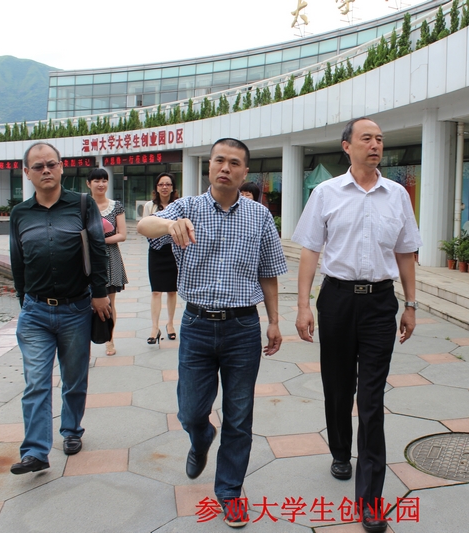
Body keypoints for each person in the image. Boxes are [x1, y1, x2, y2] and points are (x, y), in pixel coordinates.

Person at [137, 138, 287, 527]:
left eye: (234, 163)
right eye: (219, 160)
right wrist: (169, 224)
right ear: (209, 166)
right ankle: (201, 436)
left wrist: (273, 320)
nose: (225, 168)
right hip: (197, 324)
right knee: (190, 410)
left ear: (245, 172)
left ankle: (230, 493)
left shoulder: (259, 216)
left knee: (239, 415)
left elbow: (269, 272)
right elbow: (143, 226)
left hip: (242, 326)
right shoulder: (186, 207)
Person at [293, 117, 422, 533]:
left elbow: (406, 253)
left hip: (380, 303)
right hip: (336, 299)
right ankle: (339, 451)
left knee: (371, 399)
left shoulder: (397, 195)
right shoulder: (326, 193)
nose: (375, 144)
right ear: (346, 146)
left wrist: (411, 305)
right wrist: (303, 306)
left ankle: (370, 500)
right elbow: (310, 251)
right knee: (337, 387)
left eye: (380, 139)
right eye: (366, 138)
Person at [9, 142, 111, 474]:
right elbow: (17, 261)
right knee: (36, 382)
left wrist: (100, 294)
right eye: (38, 167)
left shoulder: (82, 204)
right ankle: (35, 451)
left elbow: (98, 249)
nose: (46, 171)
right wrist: (24, 301)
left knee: (74, 378)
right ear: (27, 173)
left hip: (76, 308)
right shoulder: (19, 213)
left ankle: (71, 430)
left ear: (62, 167)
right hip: (35, 312)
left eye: (51, 164)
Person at [86, 168, 128, 355]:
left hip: (110, 257)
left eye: (104, 180)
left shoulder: (116, 206)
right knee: (85, 303)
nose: (101, 184)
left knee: (109, 302)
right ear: (89, 184)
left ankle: (109, 340)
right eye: (96, 181)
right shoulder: (83, 206)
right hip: (87, 258)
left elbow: (122, 234)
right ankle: (84, 344)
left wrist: (98, 241)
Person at [142, 172, 179, 344]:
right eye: (161, 184)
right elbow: (145, 228)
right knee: (156, 291)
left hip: (173, 251)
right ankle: (154, 327)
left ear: (173, 188)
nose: (164, 187)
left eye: (168, 184)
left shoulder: (178, 206)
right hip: (156, 251)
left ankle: (170, 324)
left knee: (172, 290)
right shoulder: (150, 206)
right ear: (156, 188)